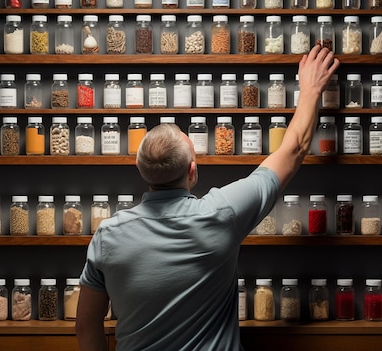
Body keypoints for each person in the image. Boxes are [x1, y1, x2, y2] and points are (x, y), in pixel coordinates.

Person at [76, 45, 340, 351]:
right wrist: (310, 89)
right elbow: (293, 149)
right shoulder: (222, 213)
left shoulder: (108, 235)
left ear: (139, 168)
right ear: (192, 171)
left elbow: (86, 326)